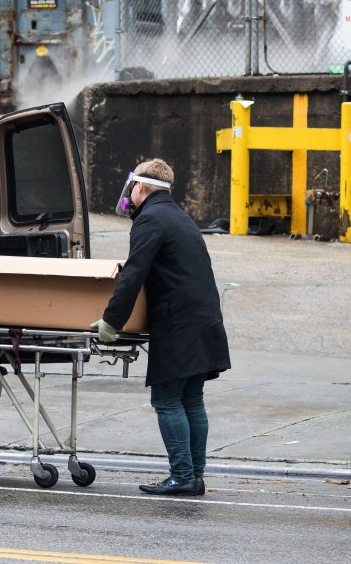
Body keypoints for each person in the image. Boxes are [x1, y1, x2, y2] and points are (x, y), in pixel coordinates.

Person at [92, 158, 231, 496]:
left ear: (139, 187)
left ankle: (182, 475)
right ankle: (194, 475)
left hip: (179, 322)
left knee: (168, 401)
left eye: (132, 188)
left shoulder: (150, 219)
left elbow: (133, 274)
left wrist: (111, 321)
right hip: (204, 318)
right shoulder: (180, 217)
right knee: (192, 399)